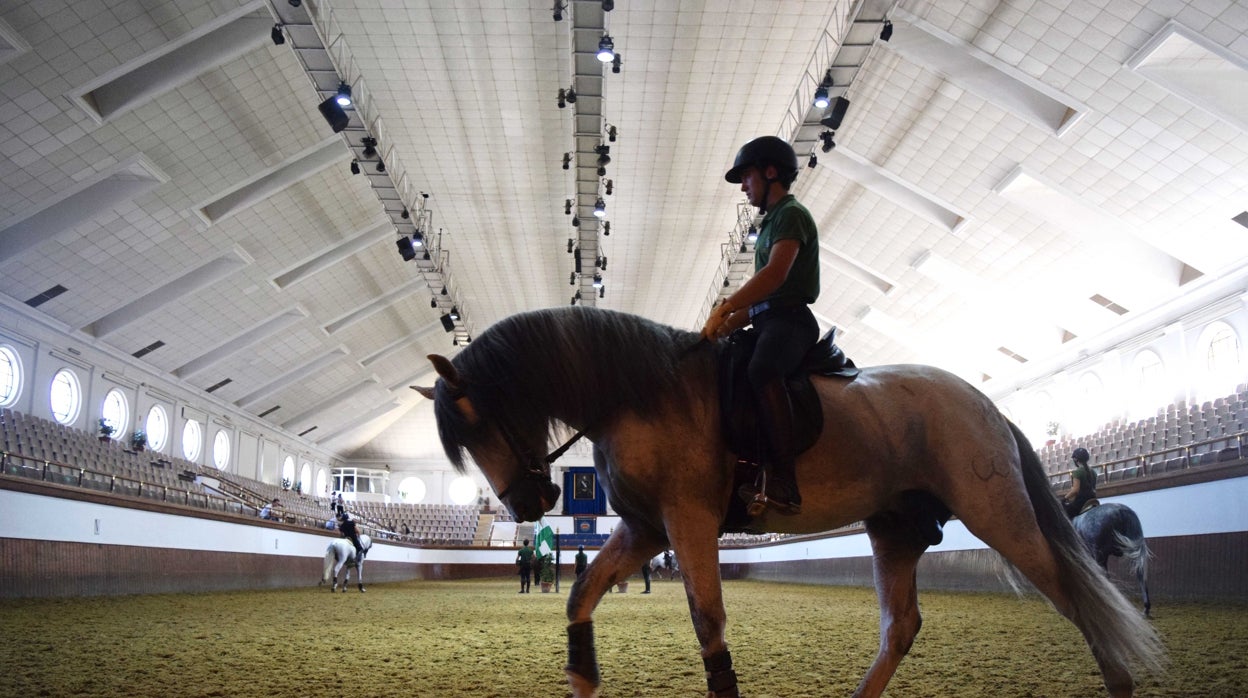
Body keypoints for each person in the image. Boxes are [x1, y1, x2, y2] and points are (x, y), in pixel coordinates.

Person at [702, 136, 820, 516]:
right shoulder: (770, 224)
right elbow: (761, 303)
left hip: (791, 322)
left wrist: (728, 305)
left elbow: (775, 277)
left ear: (771, 173)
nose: (743, 186)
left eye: (747, 177)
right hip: (767, 319)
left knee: (763, 369)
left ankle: (785, 481)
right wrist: (725, 325)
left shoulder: (791, 214)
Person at [1063, 447, 1098, 518]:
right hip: (1093, 499)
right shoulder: (1093, 471)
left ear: (1075, 459)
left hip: (1081, 502)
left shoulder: (1077, 472)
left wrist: (1064, 498)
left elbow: (1075, 491)